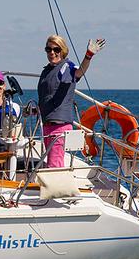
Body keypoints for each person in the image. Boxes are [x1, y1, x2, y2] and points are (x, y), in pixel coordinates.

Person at [38, 34, 105, 167]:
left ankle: (56, 187)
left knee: (54, 166)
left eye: (56, 49)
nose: (52, 52)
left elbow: (78, 72)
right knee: (52, 163)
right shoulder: (47, 71)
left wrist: (89, 55)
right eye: (48, 49)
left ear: (62, 51)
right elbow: (47, 97)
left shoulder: (66, 66)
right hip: (47, 125)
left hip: (59, 126)